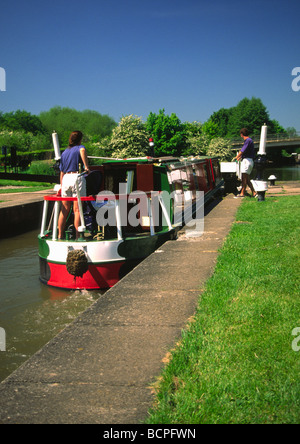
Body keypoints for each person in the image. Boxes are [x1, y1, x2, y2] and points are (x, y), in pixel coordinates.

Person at [58, 131, 90, 239]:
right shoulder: (80, 147)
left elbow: (61, 172)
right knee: (77, 210)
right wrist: (86, 166)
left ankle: (59, 235)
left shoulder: (64, 153)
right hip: (76, 177)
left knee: (64, 209)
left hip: (66, 178)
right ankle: (77, 236)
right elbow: (82, 150)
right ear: (80, 139)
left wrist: (61, 186)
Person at [233, 128, 257, 198]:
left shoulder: (247, 141)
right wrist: (240, 157)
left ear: (241, 134)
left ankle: (249, 192)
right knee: (245, 178)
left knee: (245, 178)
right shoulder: (250, 141)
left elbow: (242, 150)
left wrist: (236, 156)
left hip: (247, 161)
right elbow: (246, 151)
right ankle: (250, 192)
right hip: (249, 160)